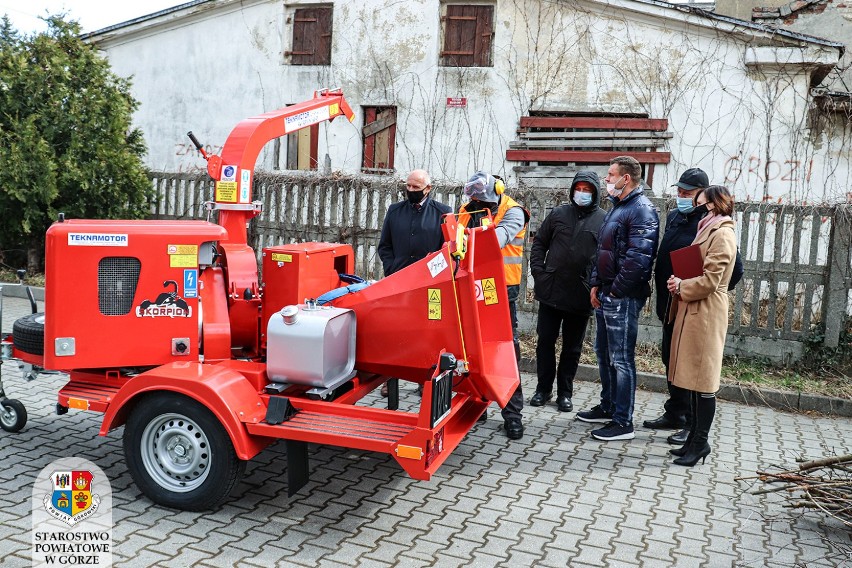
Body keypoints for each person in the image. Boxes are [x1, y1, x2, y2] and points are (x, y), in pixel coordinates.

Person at [643, 168, 743, 445]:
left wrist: (698, 293)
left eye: (688, 193)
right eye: (680, 192)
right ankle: (675, 412)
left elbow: (731, 272)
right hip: (673, 300)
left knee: (693, 368)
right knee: (671, 359)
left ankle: (690, 424)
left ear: (704, 195)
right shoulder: (678, 216)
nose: (682, 197)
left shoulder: (715, 226)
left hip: (696, 305)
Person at [576, 155, 659, 441]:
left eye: (611, 175)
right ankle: (608, 405)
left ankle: (623, 421)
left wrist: (616, 290)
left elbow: (639, 258)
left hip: (622, 297)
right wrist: (597, 284)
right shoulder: (618, 207)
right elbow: (605, 250)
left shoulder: (642, 210)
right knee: (603, 353)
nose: (606, 180)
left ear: (627, 178)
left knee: (621, 359)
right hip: (608, 292)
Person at [666, 185, 738, 466]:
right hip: (694, 308)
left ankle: (700, 443)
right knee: (693, 381)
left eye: (702, 203)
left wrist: (682, 284)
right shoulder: (708, 227)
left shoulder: (723, 234)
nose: (697, 208)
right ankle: (693, 439)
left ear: (715, 205)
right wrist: (680, 281)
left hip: (707, 312)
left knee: (704, 381)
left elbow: (711, 280)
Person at [458, 170, 530, 440]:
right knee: (470, 346)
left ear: (497, 194)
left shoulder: (514, 212)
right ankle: (478, 402)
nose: (479, 207)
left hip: (501, 288)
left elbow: (496, 240)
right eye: (476, 202)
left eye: (484, 203)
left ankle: (512, 413)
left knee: (505, 348)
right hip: (471, 285)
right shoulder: (467, 209)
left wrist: (467, 236)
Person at [529, 171, 606, 413]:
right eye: (578, 188)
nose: (582, 193)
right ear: (572, 189)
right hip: (551, 290)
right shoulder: (558, 214)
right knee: (545, 342)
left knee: (572, 348)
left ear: (595, 193)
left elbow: (605, 257)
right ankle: (543, 389)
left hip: (580, 295)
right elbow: (539, 243)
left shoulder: (604, 219)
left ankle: (565, 393)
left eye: (587, 190)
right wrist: (539, 273)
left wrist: (595, 284)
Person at [377, 169, 451, 397]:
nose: (410, 191)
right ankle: (389, 380)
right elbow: (385, 246)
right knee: (395, 331)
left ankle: (424, 378)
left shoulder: (443, 213)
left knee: (429, 333)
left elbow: (447, 250)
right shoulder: (395, 210)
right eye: (408, 187)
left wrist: (432, 273)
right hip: (398, 282)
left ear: (428, 189)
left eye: (415, 188)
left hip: (430, 286)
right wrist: (392, 270)